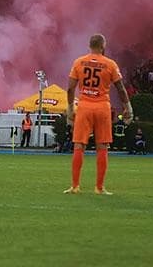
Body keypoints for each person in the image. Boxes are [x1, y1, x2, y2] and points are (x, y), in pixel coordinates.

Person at [65, 33, 133, 195]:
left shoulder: (79, 62)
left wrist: (69, 107)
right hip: (102, 107)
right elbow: (120, 89)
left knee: (79, 146)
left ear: (90, 46)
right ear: (103, 46)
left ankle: (75, 186)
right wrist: (128, 107)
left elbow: (70, 88)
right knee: (102, 147)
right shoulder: (110, 64)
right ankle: (99, 187)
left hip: (84, 106)